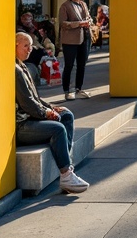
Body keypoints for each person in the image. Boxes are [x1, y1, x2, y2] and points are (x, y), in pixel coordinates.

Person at [14, 32, 89, 194]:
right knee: (58, 129)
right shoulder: (16, 70)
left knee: (66, 115)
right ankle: (66, 175)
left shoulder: (22, 66)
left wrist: (51, 107)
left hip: (31, 117)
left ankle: (67, 167)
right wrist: (46, 113)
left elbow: (34, 97)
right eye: (25, 46)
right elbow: (27, 103)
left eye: (31, 46)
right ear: (15, 46)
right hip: (22, 125)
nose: (29, 50)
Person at [58, 0, 93, 100]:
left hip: (85, 37)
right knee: (69, 65)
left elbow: (88, 17)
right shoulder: (65, 6)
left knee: (82, 64)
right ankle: (68, 90)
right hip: (70, 39)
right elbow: (63, 23)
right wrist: (79, 23)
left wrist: (89, 21)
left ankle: (79, 88)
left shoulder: (83, 4)